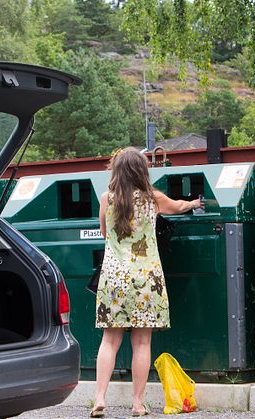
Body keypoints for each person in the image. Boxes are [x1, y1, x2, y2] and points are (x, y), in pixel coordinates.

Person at [90, 147, 203, 418]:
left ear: (117, 171)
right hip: (146, 278)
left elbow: (105, 232)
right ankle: (138, 404)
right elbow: (178, 207)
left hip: (114, 278)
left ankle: (99, 398)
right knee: (141, 343)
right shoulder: (153, 199)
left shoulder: (108, 198)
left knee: (109, 341)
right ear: (142, 171)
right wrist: (194, 204)